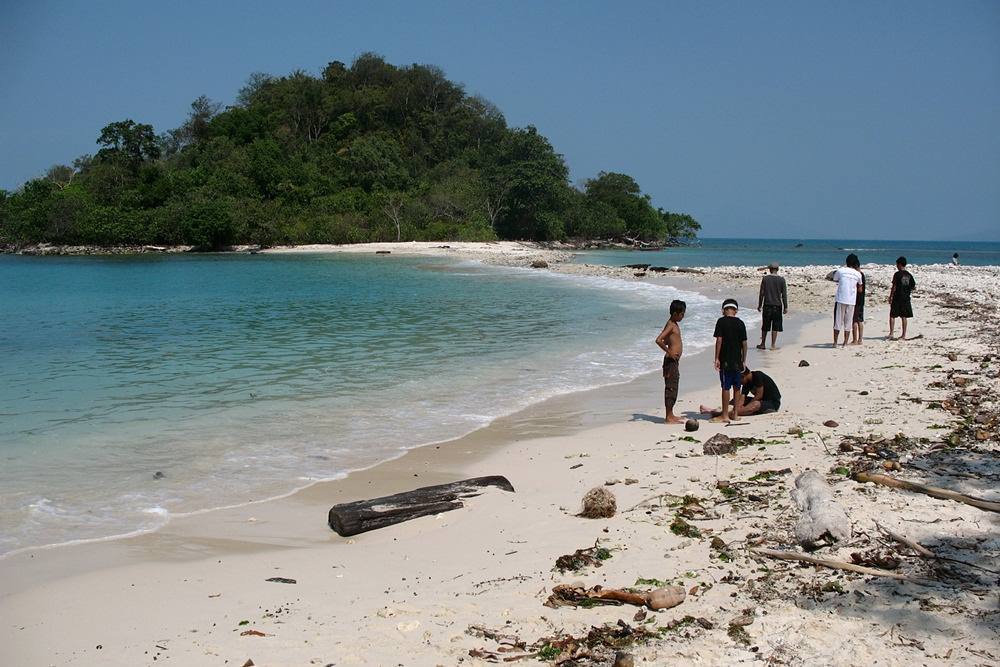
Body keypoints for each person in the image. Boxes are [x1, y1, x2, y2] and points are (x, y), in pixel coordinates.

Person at [711, 298, 747, 423]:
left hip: (725, 360)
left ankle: (725, 415)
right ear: (736, 310)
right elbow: (744, 343)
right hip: (737, 361)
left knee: (725, 387)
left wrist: (716, 358)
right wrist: (743, 360)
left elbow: (719, 340)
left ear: (723, 310)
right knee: (737, 387)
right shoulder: (741, 323)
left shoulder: (721, 321)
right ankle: (735, 414)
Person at [700, 367, 781, 417]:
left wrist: (745, 406)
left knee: (755, 404)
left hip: (772, 403)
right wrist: (738, 405)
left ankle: (723, 413)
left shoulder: (757, 375)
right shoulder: (747, 383)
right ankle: (720, 411)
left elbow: (759, 395)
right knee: (735, 400)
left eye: (739, 380)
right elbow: (742, 397)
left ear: (743, 376)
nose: (740, 383)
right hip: (761, 401)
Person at [654, 299, 686, 424]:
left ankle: (671, 414)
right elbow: (659, 340)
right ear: (675, 313)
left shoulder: (673, 324)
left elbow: (667, 340)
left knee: (674, 386)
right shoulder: (671, 325)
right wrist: (670, 352)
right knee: (671, 387)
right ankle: (668, 417)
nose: (683, 316)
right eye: (682, 314)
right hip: (670, 362)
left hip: (674, 362)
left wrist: (670, 346)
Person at [827, 254, 863, 347]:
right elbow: (860, 289)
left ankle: (835, 343)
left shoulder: (840, 271)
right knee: (848, 322)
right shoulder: (858, 274)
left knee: (838, 322)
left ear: (846, 262)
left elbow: (835, 279)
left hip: (841, 298)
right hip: (851, 300)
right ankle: (845, 343)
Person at [757, 262, 788, 350]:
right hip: (777, 306)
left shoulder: (765, 279)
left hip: (767, 305)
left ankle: (763, 344)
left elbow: (761, 293)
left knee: (765, 325)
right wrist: (785, 306)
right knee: (775, 326)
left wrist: (759, 305)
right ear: (777, 269)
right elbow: (784, 295)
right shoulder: (782, 280)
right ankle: (773, 345)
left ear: (770, 270)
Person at [889, 256, 916, 340]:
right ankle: (903, 335)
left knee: (892, 315)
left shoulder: (897, 274)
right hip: (906, 298)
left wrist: (890, 296)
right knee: (904, 316)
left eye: (897, 264)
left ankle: (891, 333)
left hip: (897, 297)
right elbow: (913, 286)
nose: (896, 266)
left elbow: (894, 286)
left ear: (900, 264)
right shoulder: (909, 275)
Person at [851, 266, 866, 345]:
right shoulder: (862, 275)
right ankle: (860, 339)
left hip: (856, 300)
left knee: (854, 320)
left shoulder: (857, 275)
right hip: (861, 300)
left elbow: (859, 289)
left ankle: (855, 340)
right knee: (860, 320)